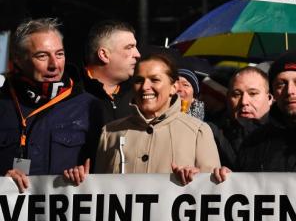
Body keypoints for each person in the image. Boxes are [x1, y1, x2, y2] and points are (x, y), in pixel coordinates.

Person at [1, 18, 102, 192]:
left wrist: (85, 176)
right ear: (18, 59)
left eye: (59, 54)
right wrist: (2, 181)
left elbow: (105, 176)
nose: (54, 65)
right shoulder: (3, 102)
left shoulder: (89, 106)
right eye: (42, 56)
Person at [86, 54, 219, 185]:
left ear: (173, 87)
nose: (145, 87)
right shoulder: (110, 133)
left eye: (155, 80)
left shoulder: (198, 131)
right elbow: (99, 191)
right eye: (139, 80)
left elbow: (211, 192)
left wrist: (195, 178)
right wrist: (80, 182)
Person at [209, 66, 272, 168]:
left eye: (253, 93)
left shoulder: (286, 136)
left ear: (269, 98)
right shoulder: (210, 134)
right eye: (236, 94)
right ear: (227, 98)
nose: (244, 102)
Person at [82, 20, 140, 123]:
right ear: (104, 55)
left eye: (135, 47)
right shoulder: (72, 94)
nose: (137, 54)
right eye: (129, 47)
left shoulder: (140, 93)